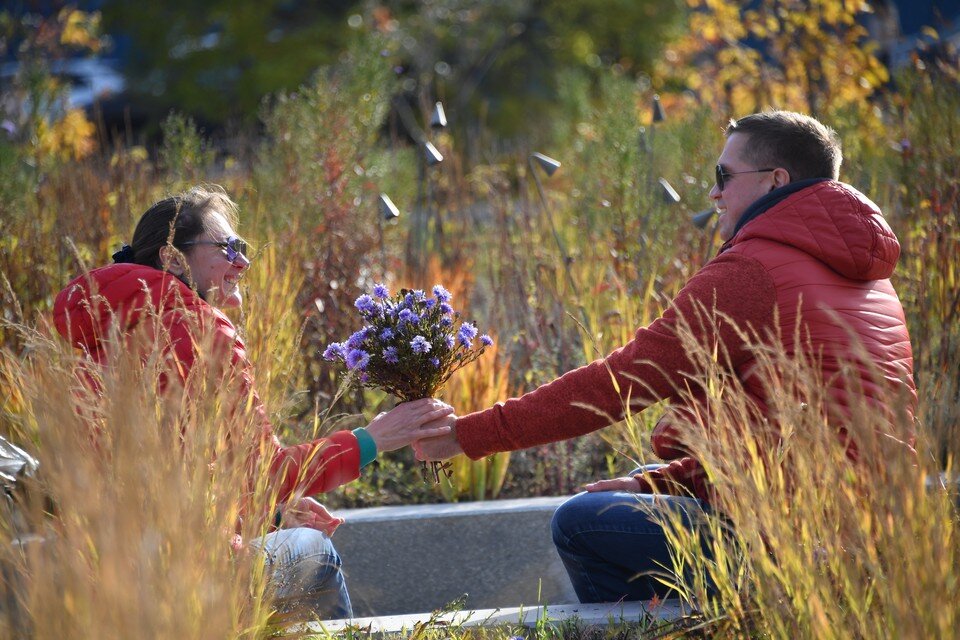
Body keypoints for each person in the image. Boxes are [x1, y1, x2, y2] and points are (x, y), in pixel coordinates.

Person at [415, 111, 917, 603]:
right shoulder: (872, 281)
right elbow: (790, 441)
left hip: (795, 538)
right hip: (873, 534)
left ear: (774, 181)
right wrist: (655, 481)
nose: (713, 193)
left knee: (581, 522)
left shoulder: (753, 269)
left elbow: (619, 383)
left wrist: (467, 435)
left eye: (723, 175)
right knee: (627, 495)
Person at [53, 184, 454, 620]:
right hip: (193, 575)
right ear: (171, 259)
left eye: (241, 248)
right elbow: (269, 470)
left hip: (101, 580)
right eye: (227, 248)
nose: (241, 261)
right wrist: (374, 438)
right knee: (316, 551)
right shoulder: (204, 331)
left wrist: (273, 514)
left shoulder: (102, 341)